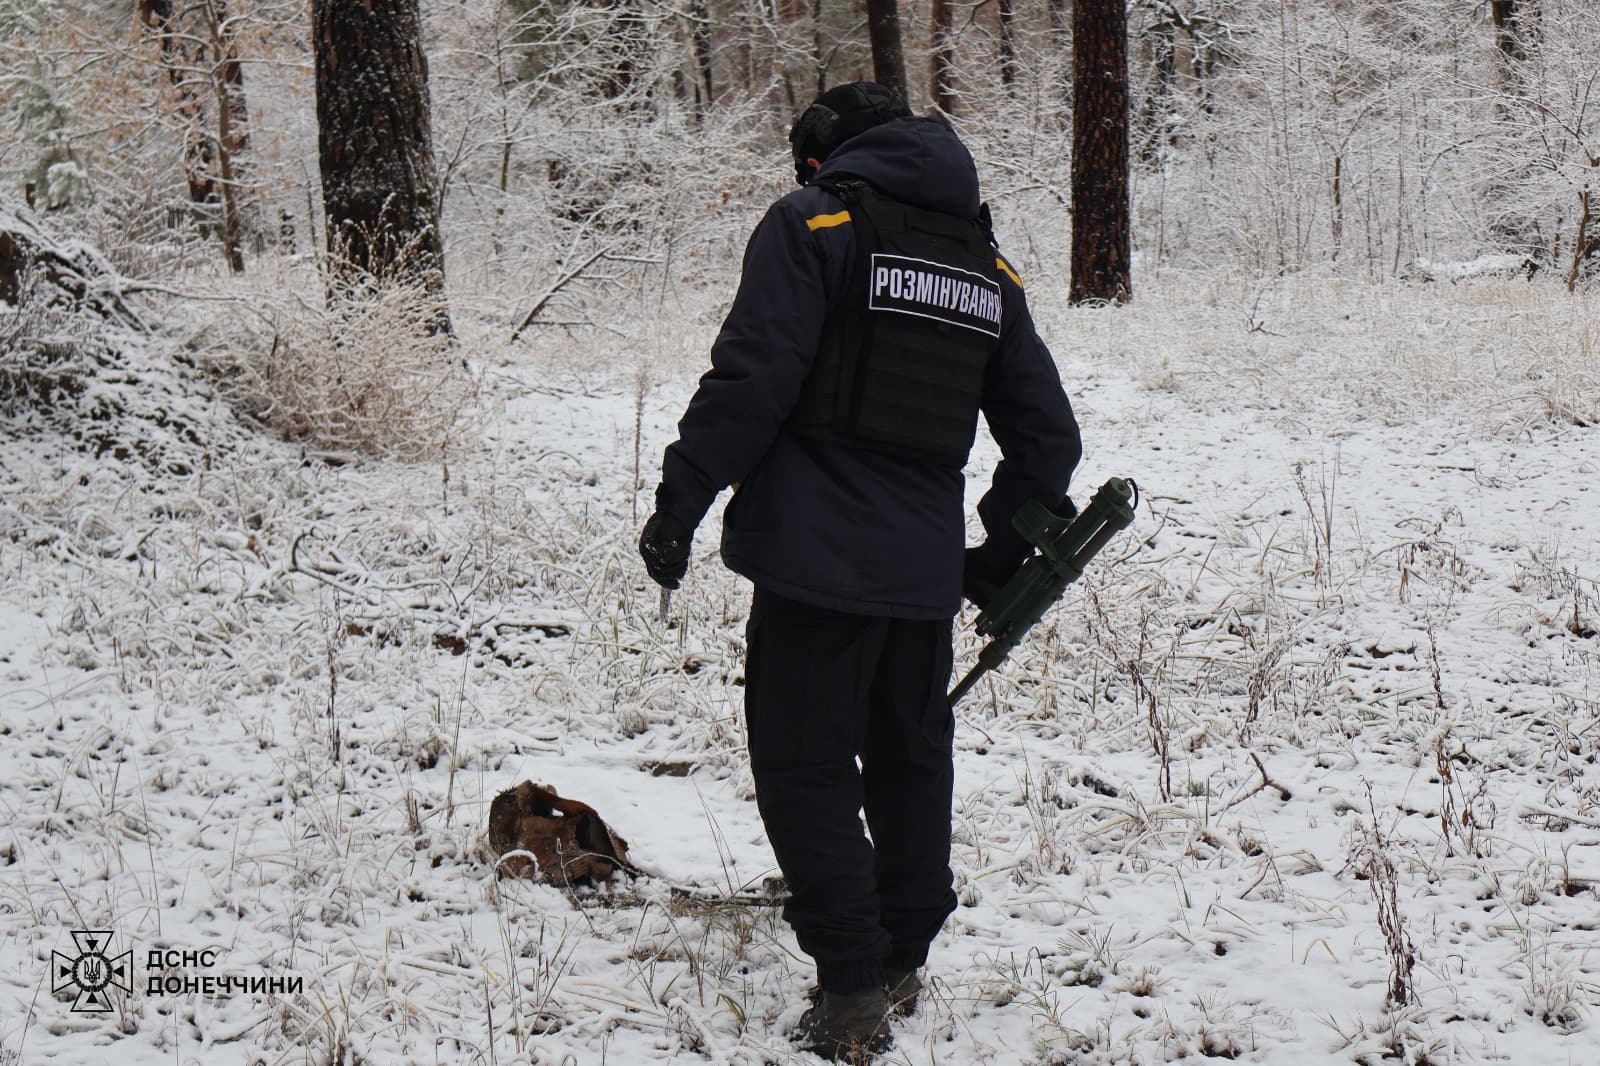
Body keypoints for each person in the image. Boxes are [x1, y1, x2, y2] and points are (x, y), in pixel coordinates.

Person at [639, 82, 1081, 1060]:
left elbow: (753, 377)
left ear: (824, 155)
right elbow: (1047, 438)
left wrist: (680, 497)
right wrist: (994, 555)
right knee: (909, 760)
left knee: (803, 768)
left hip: (810, 563)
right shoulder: (984, 266)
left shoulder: (813, 224)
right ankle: (901, 954)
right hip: (919, 576)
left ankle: (849, 989)